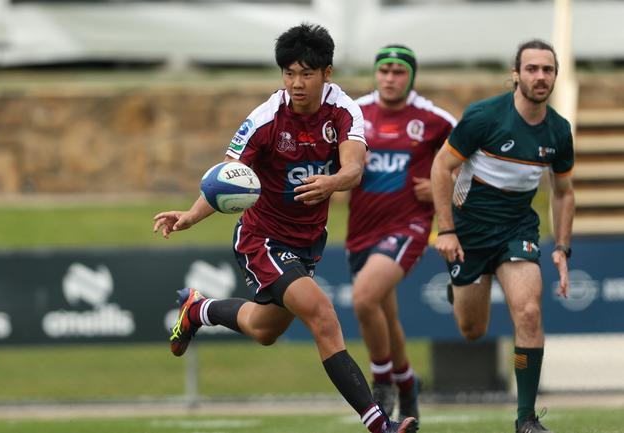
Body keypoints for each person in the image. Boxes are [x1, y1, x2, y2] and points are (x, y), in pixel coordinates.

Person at [153, 24, 417, 433]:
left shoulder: (345, 111)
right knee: (323, 315)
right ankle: (379, 424)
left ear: (327, 73)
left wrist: (333, 182)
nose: (296, 83)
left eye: (306, 74)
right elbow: (228, 178)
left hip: (307, 242)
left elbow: (353, 166)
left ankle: (198, 309)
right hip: (262, 238)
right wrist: (189, 215)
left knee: (263, 329)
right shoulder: (265, 119)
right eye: (289, 73)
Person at [430, 39, 575, 433]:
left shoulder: (559, 131)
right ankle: (459, 287)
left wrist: (562, 247)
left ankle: (526, 418)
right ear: (516, 75)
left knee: (529, 312)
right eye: (532, 69)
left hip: (517, 229)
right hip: (469, 233)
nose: (540, 76)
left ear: (555, 76)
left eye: (548, 70)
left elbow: (563, 192)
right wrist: (446, 230)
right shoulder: (484, 117)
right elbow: (441, 169)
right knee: (472, 330)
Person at [347, 45, 456, 420]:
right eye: (384, 71)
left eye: (398, 71)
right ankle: (408, 381)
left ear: (412, 76)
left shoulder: (434, 118)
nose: (390, 78)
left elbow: (476, 162)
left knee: (363, 298)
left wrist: (447, 187)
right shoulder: (354, 113)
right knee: (382, 313)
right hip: (361, 228)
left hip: (407, 226)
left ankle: (382, 382)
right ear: (376, 74)